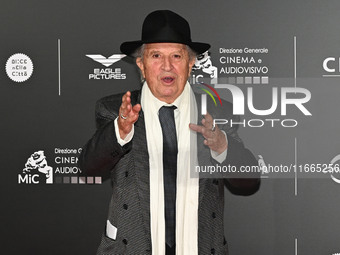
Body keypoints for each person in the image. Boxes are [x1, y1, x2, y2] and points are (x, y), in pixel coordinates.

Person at [79, 10, 260, 255]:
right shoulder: (114, 109)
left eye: (176, 55)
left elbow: (249, 180)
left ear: (191, 62)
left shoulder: (217, 111)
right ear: (141, 65)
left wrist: (222, 146)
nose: (167, 66)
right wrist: (119, 131)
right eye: (156, 56)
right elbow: (89, 167)